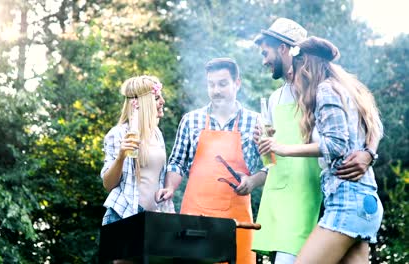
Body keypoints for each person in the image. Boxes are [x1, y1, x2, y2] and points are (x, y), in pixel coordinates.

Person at [250, 18, 381, 264]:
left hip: (341, 198)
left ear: (301, 61)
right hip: (355, 198)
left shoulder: (324, 89)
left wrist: (369, 154)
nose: (293, 74)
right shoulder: (338, 87)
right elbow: (368, 123)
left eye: (296, 67)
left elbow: (337, 144)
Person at [156, 58, 265, 264]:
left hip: (237, 220)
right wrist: (170, 187)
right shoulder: (190, 120)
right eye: (211, 84)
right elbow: (177, 162)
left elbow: (269, 167)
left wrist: (252, 182)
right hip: (195, 219)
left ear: (237, 83)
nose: (216, 90)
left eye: (222, 83)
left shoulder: (256, 121)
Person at [100, 75, 171, 226]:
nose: (162, 102)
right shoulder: (119, 134)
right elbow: (108, 184)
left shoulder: (157, 134)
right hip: (124, 215)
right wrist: (121, 157)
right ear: (142, 103)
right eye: (157, 98)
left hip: (152, 218)